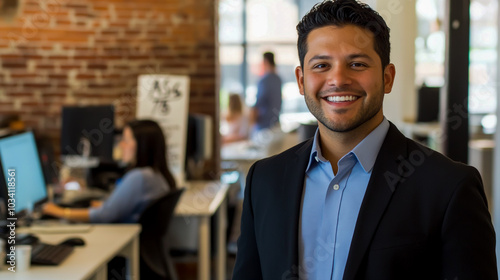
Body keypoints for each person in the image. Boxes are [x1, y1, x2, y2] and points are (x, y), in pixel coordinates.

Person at [232, 1, 497, 279]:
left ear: (387, 77)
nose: (338, 79)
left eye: (357, 64)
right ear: (301, 80)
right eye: (321, 65)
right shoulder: (265, 180)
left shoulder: (449, 187)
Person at [43, 119, 176, 223]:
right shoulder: (155, 175)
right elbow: (119, 207)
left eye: (126, 140)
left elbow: (104, 216)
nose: (121, 145)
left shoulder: (139, 177)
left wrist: (59, 211)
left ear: (142, 145)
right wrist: (105, 204)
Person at [250, 52, 283, 134]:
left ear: (265, 62)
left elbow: (258, 104)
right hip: (275, 125)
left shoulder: (264, 81)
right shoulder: (278, 79)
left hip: (263, 127)